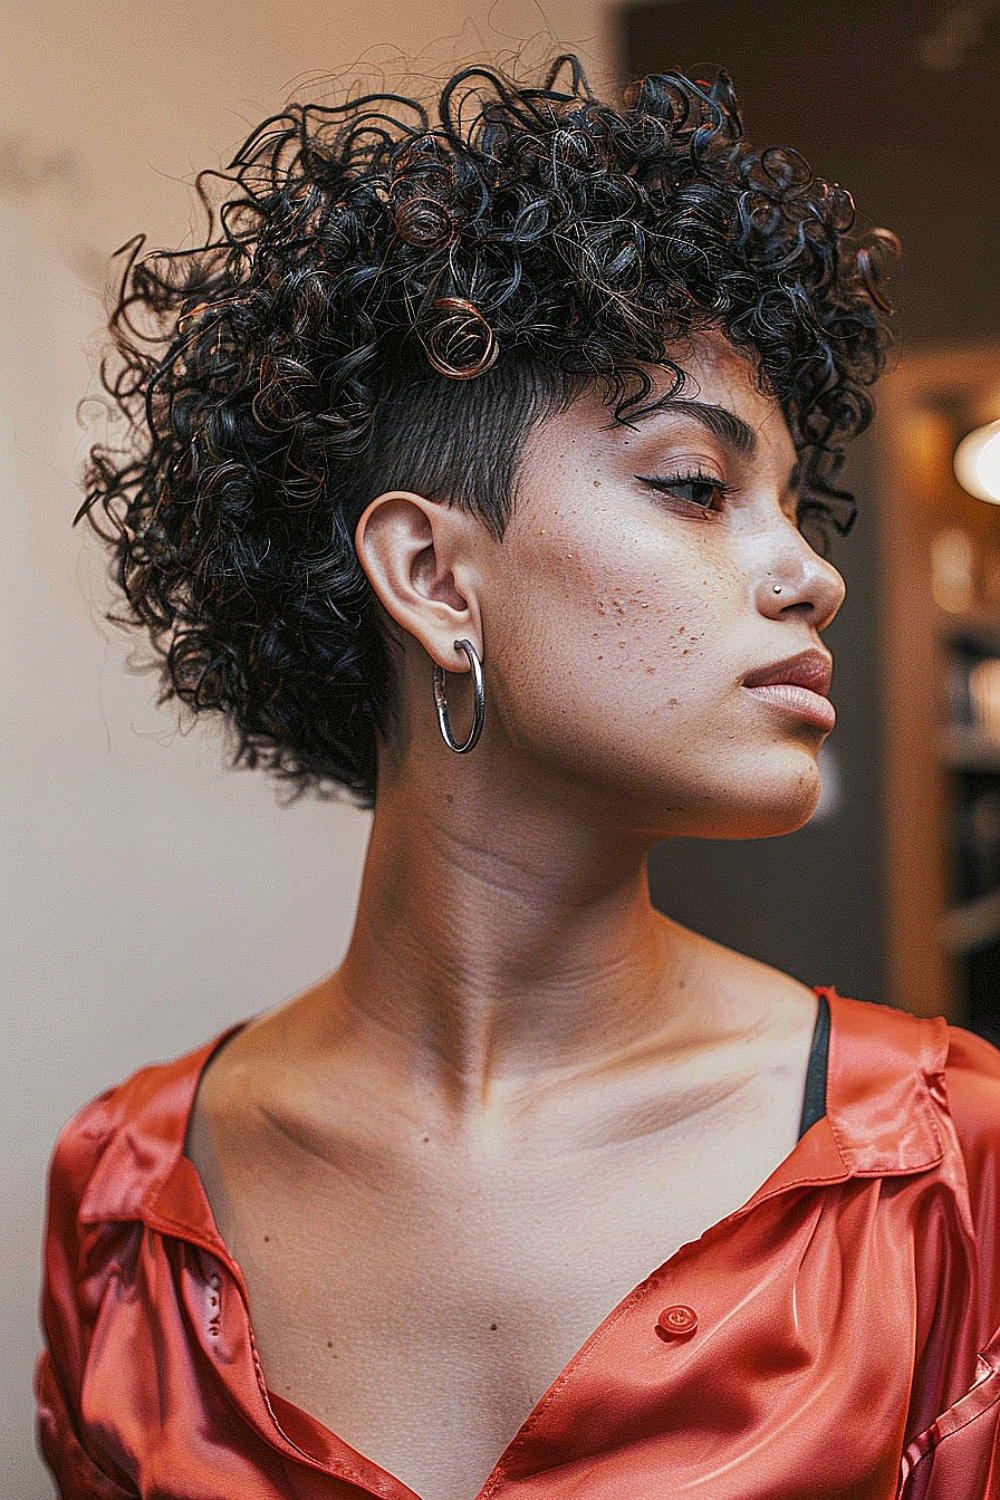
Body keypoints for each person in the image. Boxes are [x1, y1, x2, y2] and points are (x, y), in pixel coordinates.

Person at [35, 53, 1000, 1500]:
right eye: (696, 486)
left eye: (795, 506)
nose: (811, 577)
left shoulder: (943, 1172)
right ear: (429, 574)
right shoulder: (122, 1209)